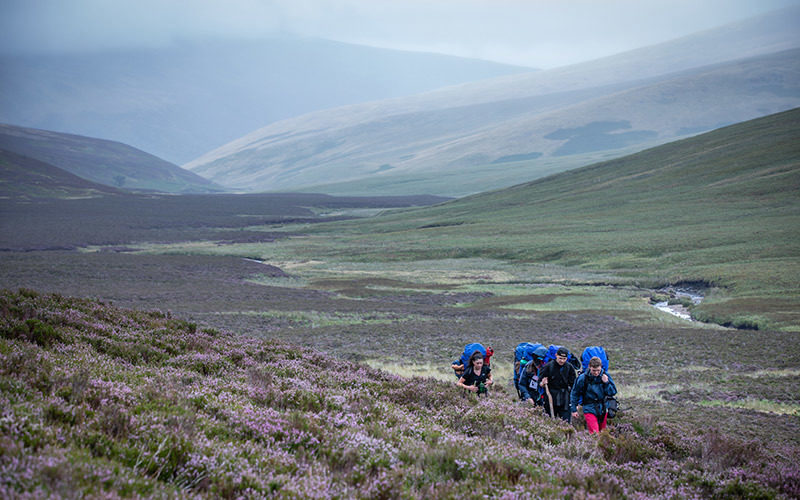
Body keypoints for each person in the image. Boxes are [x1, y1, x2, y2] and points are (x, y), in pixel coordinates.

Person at [570, 356, 617, 434]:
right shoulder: (582, 378)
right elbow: (575, 393)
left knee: (603, 434)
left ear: (601, 367)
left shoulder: (605, 376)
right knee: (594, 433)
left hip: (603, 407)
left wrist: (606, 383)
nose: (596, 373)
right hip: (589, 407)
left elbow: (613, 392)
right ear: (589, 367)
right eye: (593, 370)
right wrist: (573, 409)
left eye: (598, 370)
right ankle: (594, 445)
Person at [538, 347, 577, 421]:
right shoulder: (548, 366)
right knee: (550, 421)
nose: (562, 361)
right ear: (556, 355)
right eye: (560, 358)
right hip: (551, 398)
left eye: (564, 359)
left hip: (565, 399)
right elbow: (539, 382)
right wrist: (542, 383)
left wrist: (574, 402)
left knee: (566, 422)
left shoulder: (569, 367)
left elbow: (573, 385)